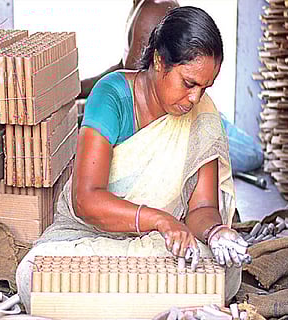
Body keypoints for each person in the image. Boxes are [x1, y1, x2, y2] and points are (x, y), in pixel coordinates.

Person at [17, 7, 246, 312]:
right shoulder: (112, 95)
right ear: (160, 61)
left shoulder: (203, 115)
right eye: (189, 83)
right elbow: (85, 200)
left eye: (205, 87)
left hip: (159, 244)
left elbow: (202, 207)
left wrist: (216, 232)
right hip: (92, 236)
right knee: (33, 274)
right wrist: (160, 220)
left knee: (226, 274)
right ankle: (159, 307)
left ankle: (109, 307)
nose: (195, 98)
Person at [78, 0, 263, 174]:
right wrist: (76, 90)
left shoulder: (155, 9)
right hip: (174, 101)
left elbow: (140, 77)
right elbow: (124, 68)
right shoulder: (140, 6)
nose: (197, 97)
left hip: (177, 108)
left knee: (251, 154)